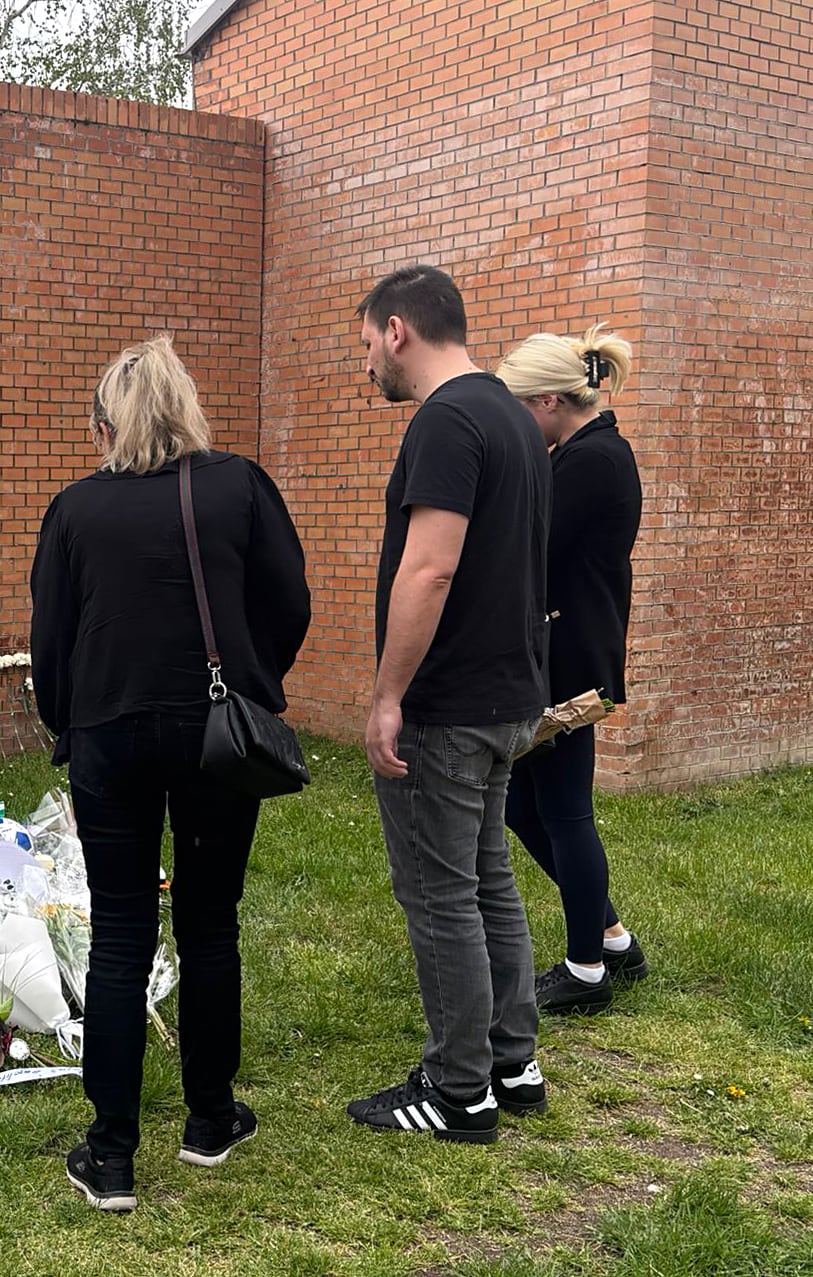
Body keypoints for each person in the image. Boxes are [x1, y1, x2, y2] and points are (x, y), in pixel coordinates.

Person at [32, 334, 309, 1211]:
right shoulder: (239, 487)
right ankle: (209, 1117)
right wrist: (255, 683)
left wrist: (65, 722)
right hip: (215, 735)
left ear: (107, 421)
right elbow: (288, 602)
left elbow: (51, 640)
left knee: (120, 934)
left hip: (108, 733)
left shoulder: (73, 509)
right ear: (185, 406)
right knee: (209, 922)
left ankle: (110, 1153)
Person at [349, 266, 552, 1144]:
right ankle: (513, 1061)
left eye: (365, 345)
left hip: (450, 705)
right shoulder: (512, 412)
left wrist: (388, 694)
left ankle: (458, 1089)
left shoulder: (445, 421)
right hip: (510, 696)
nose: (366, 367)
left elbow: (428, 568)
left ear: (398, 330)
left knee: (438, 894)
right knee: (486, 883)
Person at [495, 326, 647, 1014]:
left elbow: (531, 546)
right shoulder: (584, 451)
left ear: (551, 399)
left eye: (521, 408)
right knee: (520, 804)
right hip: (564, 651)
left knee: (562, 811)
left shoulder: (591, 461)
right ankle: (610, 936)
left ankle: (585, 969)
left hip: (569, 660)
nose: (520, 425)